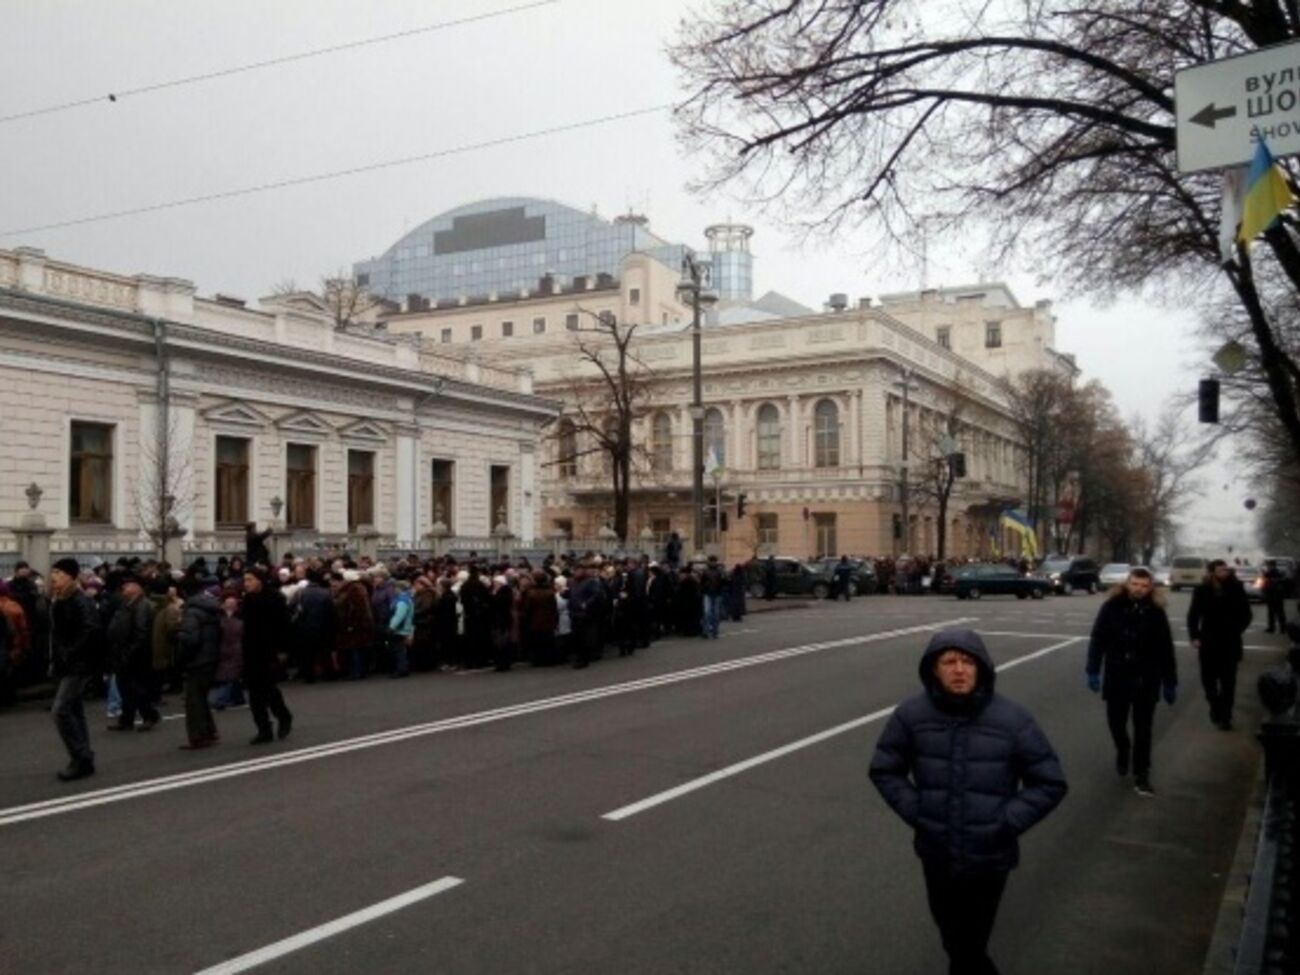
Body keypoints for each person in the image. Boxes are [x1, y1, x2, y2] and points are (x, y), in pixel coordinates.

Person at [870, 629, 1067, 975]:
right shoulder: (911, 715)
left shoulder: (1012, 719)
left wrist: (1005, 821)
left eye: (967, 662)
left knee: (969, 944)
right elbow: (886, 769)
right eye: (949, 662)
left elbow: (1049, 781)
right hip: (937, 853)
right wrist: (919, 812)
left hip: (989, 857)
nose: (959, 669)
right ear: (934, 669)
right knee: (953, 938)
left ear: (981, 668)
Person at [1085, 567, 1177, 797]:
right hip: (1117, 676)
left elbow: (1165, 648)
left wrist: (1169, 680)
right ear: (1128, 583)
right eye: (1135, 584)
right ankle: (1123, 748)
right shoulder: (1112, 607)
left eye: (1144, 586)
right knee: (1116, 723)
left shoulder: (1156, 612)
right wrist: (1093, 669)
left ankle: (1142, 774)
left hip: (1147, 678)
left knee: (1143, 729)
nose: (1139, 589)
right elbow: (1098, 639)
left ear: (1150, 588)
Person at [48, 559, 103, 781]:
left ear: (71, 575)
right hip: (67, 664)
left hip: (79, 664)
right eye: (53, 572)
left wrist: (69, 652)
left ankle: (79, 757)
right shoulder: (60, 599)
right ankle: (85, 757)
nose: (54, 577)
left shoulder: (79, 600)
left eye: (59, 573)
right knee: (75, 710)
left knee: (60, 710)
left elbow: (90, 629)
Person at [1187, 559, 1253, 731]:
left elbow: (1246, 613)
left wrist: (1236, 629)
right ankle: (1215, 705)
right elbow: (1193, 615)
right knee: (1208, 681)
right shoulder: (1202, 590)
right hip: (1208, 641)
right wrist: (1195, 636)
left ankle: (1226, 716)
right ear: (1212, 572)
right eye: (1220, 570)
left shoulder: (1236, 588)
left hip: (1230, 642)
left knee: (1228, 683)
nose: (1225, 572)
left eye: (1226, 569)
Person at [241, 569, 293, 744]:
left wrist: (283, 650)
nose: (246, 583)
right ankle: (264, 729)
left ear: (260, 581)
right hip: (251, 652)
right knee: (254, 695)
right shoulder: (247, 600)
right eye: (245, 580)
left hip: (270, 651)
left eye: (250, 579)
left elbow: (285, 626)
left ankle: (284, 716)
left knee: (269, 690)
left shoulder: (275, 599)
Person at [105, 573, 160, 731]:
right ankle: (126, 719)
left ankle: (149, 716)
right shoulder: (126, 604)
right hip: (122, 651)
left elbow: (141, 633)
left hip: (136, 655)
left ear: (137, 589)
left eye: (128, 585)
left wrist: (129, 652)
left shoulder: (142, 606)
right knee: (125, 688)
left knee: (137, 687)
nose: (124, 588)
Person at [176, 576, 222, 750]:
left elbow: (190, 639)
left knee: (194, 701)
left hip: (197, 660)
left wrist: (177, 638)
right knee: (201, 698)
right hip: (210, 657)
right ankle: (210, 731)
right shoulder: (210, 606)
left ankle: (199, 737)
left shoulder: (191, 611)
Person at [700, 555, 725, 639]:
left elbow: (723, 582)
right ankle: (707, 630)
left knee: (715, 614)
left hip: (716, 594)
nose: (713, 563)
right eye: (712, 561)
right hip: (708, 593)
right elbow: (702, 582)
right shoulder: (706, 571)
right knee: (708, 613)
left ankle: (714, 631)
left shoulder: (719, 571)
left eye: (714, 561)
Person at [1262, 559, 1288, 634]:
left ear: (1272, 565)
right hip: (1273, 595)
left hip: (1275, 595)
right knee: (1274, 612)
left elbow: (1281, 582)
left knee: (1277, 612)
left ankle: (1279, 628)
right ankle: (1274, 628)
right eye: (1268, 565)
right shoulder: (1271, 573)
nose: (1268, 567)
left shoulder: (1275, 573)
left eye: (1269, 565)